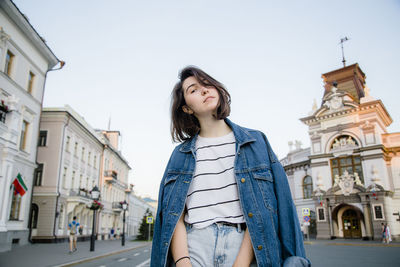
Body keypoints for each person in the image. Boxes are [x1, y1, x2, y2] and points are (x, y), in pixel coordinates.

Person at [150, 66, 310, 267]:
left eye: (207, 84)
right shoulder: (180, 155)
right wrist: (183, 262)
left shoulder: (256, 142)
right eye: (193, 89)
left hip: (246, 249)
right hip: (194, 248)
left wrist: (241, 263)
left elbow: (270, 209)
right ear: (186, 108)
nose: (204, 90)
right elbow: (173, 217)